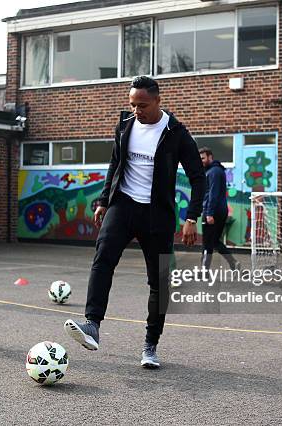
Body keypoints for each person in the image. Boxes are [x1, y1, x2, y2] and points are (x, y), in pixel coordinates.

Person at [64, 76, 206, 368]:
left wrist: (192, 216)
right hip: (124, 205)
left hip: (157, 214)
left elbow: (197, 178)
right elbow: (115, 163)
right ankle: (92, 325)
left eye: (142, 105)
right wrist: (104, 200)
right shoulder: (126, 124)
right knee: (102, 259)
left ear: (157, 101)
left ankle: (150, 345)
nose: (137, 110)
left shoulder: (176, 132)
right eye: (132, 104)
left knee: (159, 282)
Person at [200, 147, 239, 275]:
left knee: (207, 241)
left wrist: (209, 213)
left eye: (203, 158)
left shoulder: (214, 172)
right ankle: (233, 263)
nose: (201, 161)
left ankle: (204, 271)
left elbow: (213, 194)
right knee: (214, 240)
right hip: (218, 210)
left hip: (213, 212)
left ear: (210, 157)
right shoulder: (214, 170)